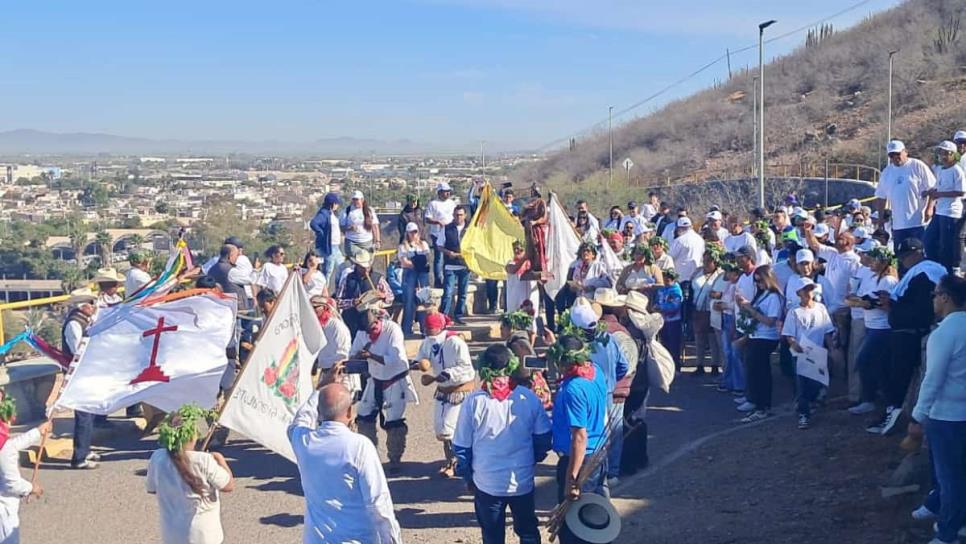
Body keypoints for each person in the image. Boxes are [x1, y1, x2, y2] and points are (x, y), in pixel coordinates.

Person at [453, 344, 551, 544]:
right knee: (528, 532)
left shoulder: (473, 401)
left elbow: (462, 447)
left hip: (487, 482)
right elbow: (543, 438)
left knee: (492, 536)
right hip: (522, 481)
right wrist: (532, 460)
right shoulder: (528, 397)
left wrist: (468, 477)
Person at [288, 383, 402, 543]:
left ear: (318, 412)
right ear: (349, 412)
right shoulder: (360, 446)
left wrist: (319, 388)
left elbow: (298, 422)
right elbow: (378, 503)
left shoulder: (305, 442)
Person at [867, 238, 947, 436]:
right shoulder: (917, 272)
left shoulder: (928, 271)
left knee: (902, 377)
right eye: (901, 257)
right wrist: (890, 303)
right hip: (906, 330)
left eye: (906, 256)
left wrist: (892, 308)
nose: (903, 260)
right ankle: (896, 410)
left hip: (913, 333)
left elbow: (922, 312)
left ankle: (899, 415)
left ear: (918, 253)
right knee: (886, 368)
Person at [908, 275, 966, 544]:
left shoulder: (944, 333)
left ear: (945, 297)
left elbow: (933, 379)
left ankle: (948, 533)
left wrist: (918, 415)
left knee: (949, 478)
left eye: (935, 294)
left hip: (947, 416)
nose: (933, 299)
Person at [549, 334, 610, 544]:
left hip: (581, 460)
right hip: (598, 455)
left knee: (576, 527)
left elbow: (579, 437)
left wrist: (572, 480)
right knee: (593, 516)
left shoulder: (574, 389)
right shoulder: (596, 372)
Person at [146, 405, 234, 544]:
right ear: (191, 436)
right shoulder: (204, 460)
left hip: (172, 534)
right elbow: (228, 485)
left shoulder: (157, 457)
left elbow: (152, 488)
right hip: (204, 536)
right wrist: (220, 459)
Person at [349, 309, 419, 474]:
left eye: (372, 329)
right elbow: (352, 354)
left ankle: (395, 457)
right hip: (375, 379)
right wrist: (358, 355)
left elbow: (394, 358)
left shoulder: (392, 330)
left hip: (394, 379)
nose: (370, 333)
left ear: (378, 321)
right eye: (366, 331)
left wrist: (371, 355)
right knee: (364, 416)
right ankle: (368, 454)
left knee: (394, 421)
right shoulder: (362, 334)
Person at [414, 311, 476, 478]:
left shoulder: (455, 342)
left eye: (431, 328)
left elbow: (467, 368)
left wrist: (448, 374)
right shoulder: (427, 342)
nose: (428, 331)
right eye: (426, 328)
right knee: (441, 429)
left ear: (440, 327)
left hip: (458, 391)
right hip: (442, 391)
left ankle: (456, 464)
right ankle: (451, 461)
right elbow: (423, 359)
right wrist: (420, 364)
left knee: (452, 429)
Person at [846, 246, 899, 416]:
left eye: (875, 259)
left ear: (883, 262)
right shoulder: (872, 277)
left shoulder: (888, 281)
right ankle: (882, 399)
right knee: (877, 364)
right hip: (871, 326)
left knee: (865, 360)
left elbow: (875, 303)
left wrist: (857, 302)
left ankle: (872, 399)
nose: (871, 261)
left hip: (882, 328)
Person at [781, 278, 835, 429]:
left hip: (817, 351)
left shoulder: (821, 308)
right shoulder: (794, 312)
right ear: (799, 293)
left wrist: (831, 349)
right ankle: (804, 413)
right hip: (801, 352)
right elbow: (789, 334)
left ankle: (812, 403)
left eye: (810, 289)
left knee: (816, 383)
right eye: (805, 290)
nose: (808, 293)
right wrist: (794, 343)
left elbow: (827, 331)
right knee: (802, 384)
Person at [734, 265, 784, 422]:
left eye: (761, 281)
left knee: (761, 373)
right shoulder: (762, 294)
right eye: (756, 282)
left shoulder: (774, 297)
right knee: (753, 371)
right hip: (756, 336)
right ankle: (755, 401)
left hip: (766, 338)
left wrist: (751, 310)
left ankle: (763, 406)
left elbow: (770, 321)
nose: (758, 284)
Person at [0, 396, 50, 543]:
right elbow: (12, 484)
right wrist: (31, 488)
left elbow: (11, 446)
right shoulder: (3, 446)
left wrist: (37, 432)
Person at [61, 288, 101, 470]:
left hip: (87, 371)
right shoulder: (74, 324)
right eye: (91, 303)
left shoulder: (85, 321)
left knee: (89, 412)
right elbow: (78, 350)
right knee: (84, 414)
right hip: (78, 373)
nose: (94, 306)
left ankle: (85, 449)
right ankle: (79, 457)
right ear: (82, 305)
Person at [875, 140, 937, 247]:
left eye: (898, 154)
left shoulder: (917, 166)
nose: (895, 157)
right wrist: (880, 218)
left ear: (905, 152)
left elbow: (933, 188)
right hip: (898, 225)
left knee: (919, 254)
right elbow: (881, 197)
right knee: (901, 256)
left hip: (919, 222)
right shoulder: (887, 172)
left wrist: (929, 208)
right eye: (891, 155)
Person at [924, 141, 966, 273]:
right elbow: (938, 186)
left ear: (952, 154)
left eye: (945, 153)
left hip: (951, 212)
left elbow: (961, 192)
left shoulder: (957, 170)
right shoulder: (940, 169)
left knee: (946, 245)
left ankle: (946, 271)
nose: (943, 156)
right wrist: (930, 192)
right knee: (929, 239)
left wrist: (939, 194)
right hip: (940, 210)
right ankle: (934, 266)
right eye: (941, 153)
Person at [335, 251, 393, 338]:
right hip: (353, 317)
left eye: (368, 267)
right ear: (357, 266)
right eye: (362, 267)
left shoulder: (378, 278)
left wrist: (383, 296)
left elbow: (391, 296)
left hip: (374, 315)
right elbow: (338, 302)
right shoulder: (347, 279)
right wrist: (352, 302)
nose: (366, 270)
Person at [310, 296, 356, 396]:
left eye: (314, 307)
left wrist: (320, 363)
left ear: (325, 308)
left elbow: (342, 356)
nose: (311, 311)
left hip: (340, 376)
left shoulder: (337, 327)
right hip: (325, 374)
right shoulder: (319, 327)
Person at [692, 248, 723, 377]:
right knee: (699, 339)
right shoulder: (697, 272)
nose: (706, 263)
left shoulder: (720, 275)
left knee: (713, 340)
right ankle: (699, 364)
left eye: (709, 261)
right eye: (704, 260)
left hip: (712, 310)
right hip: (698, 310)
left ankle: (715, 365)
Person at [397, 222, 432, 337]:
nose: (413, 234)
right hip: (410, 272)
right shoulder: (403, 246)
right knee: (409, 301)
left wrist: (419, 263)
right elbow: (404, 262)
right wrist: (416, 263)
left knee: (424, 299)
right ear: (407, 233)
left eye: (415, 232)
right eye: (411, 232)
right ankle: (406, 329)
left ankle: (425, 328)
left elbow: (427, 258)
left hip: (422, 272)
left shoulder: (424, 244)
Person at [558, 243, 612, 311]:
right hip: (579, 301)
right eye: (583, 251)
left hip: (594, 303)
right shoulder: (576, 266)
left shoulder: (599, 266)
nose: (585, 253)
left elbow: (608, 283)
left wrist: (593, 287)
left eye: (588, 251)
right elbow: (571, 282)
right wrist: (573, 288)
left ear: (593, 255)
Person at [441, 205, 471, 324]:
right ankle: (443, 317)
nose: (458, 217)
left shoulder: (470, 229)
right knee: (448, 293)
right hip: (450, 265)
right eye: (456, 215)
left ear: (465, 216)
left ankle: (459, 315)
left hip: (465, 265)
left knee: (462, 293)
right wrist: (449, 253)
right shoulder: (446, 228)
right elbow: (439, 245)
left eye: (461, 215)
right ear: (453, 215)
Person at [425, 182, 457, 287]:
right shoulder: (433, 204)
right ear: (439, 192)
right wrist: (437, 222)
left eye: (448, 191)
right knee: (439, 258)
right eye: (445, 192)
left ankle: (450, 280)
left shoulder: (452, 203)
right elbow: (427, 218)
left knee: (451, 256)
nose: (447, 194)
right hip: (437, 233)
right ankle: (438, 281)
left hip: (450, 233)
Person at [309, 192, 344, 287]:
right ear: (331, 204)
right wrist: (321, 233)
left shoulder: (331, 213)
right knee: (327, 271)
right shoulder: (324, 213)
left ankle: (338, 288)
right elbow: (313, 223)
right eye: (336, 203)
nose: (337, 205)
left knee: (342, 268)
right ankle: (324, 291)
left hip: (336, 246)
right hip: (329, 247)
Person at [656, 269, 684, 371]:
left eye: (667, 280)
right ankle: (666, 366)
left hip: (673, 321)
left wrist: (662, 308)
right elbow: (657, 300)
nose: (665, 282)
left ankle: (676, 366)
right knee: (665, 344)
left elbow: (675, 306)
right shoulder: (661, 290)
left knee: (674, 345)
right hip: (663, 320)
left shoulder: (676, 291)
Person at [505, 240, 540, 316]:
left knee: (531, 322)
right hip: (515, 300)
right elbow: (513, 269)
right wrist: (524, 258)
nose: (517, 251)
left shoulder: (532, 265)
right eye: (515, 249)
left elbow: (541, 280)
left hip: (531, 300)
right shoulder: (510, 263)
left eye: (521, 250)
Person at [341, 190, 382, 255]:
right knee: (356, 262)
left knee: (366, 262)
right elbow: (341, 228)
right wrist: (349, 228)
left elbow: (375, 226)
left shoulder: (369, 211)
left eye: (357, 199)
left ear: (362, 200)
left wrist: (377, 241)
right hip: (352, 242)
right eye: (353, 199)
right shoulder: (346, 211)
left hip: (367, 242)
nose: (355, 202)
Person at [522, 185, 550, 275]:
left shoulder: (541, 202)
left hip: (537, 230)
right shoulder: (528, 203)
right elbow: (523, 216)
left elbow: (544, 217)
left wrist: (535, 222)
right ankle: (531, 265)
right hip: (528, 229)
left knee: (538, 247)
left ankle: (539, 266)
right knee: (529, 248)